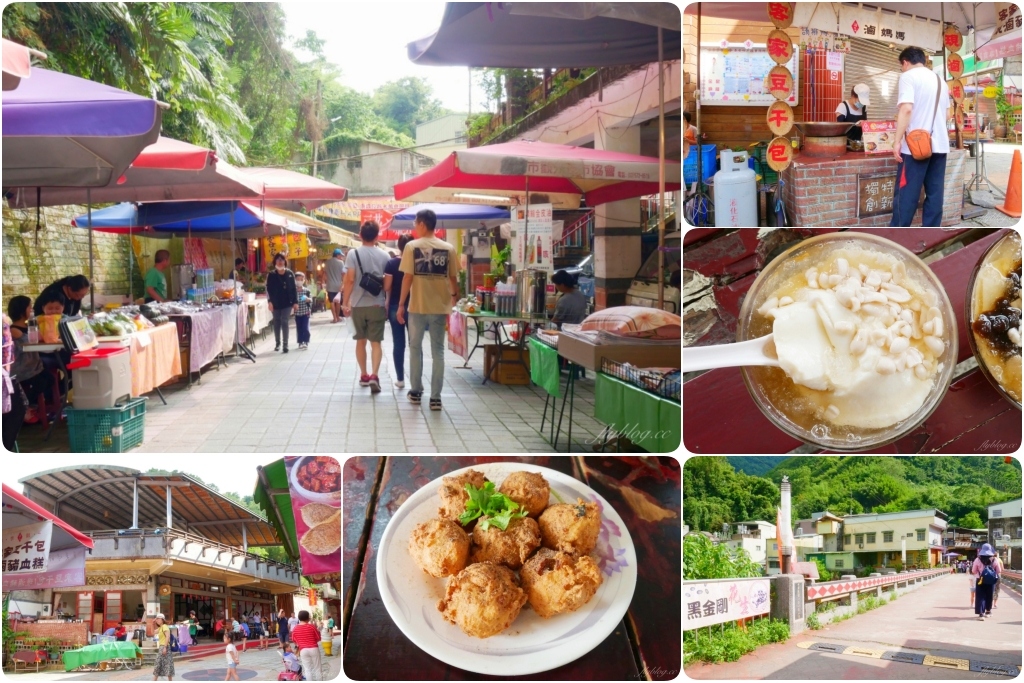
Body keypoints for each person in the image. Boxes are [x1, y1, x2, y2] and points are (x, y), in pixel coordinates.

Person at [397, 209, 458, 412]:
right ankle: (435, 398)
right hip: (439, 307)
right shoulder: (448, 248)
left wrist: (400, 304)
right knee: (438, 351)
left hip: (417, 306)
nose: (415, 226)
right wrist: (454, 297)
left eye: (416, 223)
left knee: (415, 348)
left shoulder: (411, 247)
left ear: (422, 224)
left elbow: (407, 278)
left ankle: (415, 392)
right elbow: (453, 278)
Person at [890, 46, 951, 227]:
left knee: (906, 193)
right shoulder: (941, 81)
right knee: (935, 193)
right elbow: (948, 115)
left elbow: (906, 109)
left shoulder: (908, 76)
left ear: (905, 62)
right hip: (940, 145)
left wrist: (897, 141)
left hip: (915, 148)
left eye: (901, 66)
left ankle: (899, 233)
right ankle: (930, 231)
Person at [343, 221, 390, 394]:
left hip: (357, 304)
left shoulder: (353, 254)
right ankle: (374, 375)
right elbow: (387, 284)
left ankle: (363, 375)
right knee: (376, 343)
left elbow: (350, 279)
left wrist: (345, 302)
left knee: (360, 341)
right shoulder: (385, 256)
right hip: (377, 303)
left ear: (360, 235)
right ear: (377, 236)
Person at [7, 295, 61, 425]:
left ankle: (35, 406)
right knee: (41, 382)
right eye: (29, 307)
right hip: (22, 369)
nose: (32, 310)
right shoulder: (14, 330)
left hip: (34, 366)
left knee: (50, 379)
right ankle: (25, 406)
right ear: (22, 310)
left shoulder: (30, 326)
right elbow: (31, 341)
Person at [383, 234, 412, 389]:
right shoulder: (417, 263)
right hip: (414, 306)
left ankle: (400, 379)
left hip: (395, 305)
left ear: (399, 246)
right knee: (415, 344)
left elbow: (387, 287)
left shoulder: (392, 263)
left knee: (398, 343)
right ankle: (417, 381)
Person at [266, 253, 298, 353]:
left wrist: (295, 302)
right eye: (278, 259)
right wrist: (269, 302)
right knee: (276, 321)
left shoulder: (290, 274)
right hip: (275, 302)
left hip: (287, 302)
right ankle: (277, 343)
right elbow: (268, 289)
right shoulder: (271, 274)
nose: (280, 261)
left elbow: (294, 289)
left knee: (284, 321)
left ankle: (285, 344)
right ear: (275, 261)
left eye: (282, 259)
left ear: (285, 261)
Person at [291, 610, 323, 681]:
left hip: (303, 650)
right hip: (314, 648)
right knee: (318, 668)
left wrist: (300, 642)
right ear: (307, 618)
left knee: (307, 669)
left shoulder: (295, 628)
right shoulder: (311, 627)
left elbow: (294, 640)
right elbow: (318, 638)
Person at [971, 543, 1001, 620]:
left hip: (980, 580)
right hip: (991, 581)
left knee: (980, 596)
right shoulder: (995, 560)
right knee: (989, 595)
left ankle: (981, 614)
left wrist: (979, 575)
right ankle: (988, 611)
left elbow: (973, 571)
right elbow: (999, 571)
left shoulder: (977, 559)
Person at [325, 248, 346, 324]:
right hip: (338, 285)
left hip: (330, 285)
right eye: (340, 255)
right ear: (337, 255)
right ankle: (338, 317)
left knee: (332, 302)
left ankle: (334, 318)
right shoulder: (341, 263)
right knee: (338, 302)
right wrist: (343, 285)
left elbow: (325, 274)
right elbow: (343, 275)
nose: (341, 257)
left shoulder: (327, 262)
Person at [152, 613, 174, 681]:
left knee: (166, 666)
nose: (157, 620)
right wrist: (152, 623)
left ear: (162, 619)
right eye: (157, 619)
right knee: (159, 665)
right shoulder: (160, 627)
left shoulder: (164, 626)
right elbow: (153, 632)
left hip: (165, 647)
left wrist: (165, 647)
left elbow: (167, 636)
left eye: (158, 619)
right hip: (162, 647)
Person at [294, 272, 312, 350]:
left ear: (304, 280)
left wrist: (308, 299)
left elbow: (311, 299)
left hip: (305, 312)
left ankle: (306, 341)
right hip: (297, 313)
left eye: (301, 279)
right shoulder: (293, 291)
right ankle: (300, 342)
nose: (299, 281)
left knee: (305, 327)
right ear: (295, 280)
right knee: (299, 328)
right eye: (298, 279)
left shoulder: (307, 291)